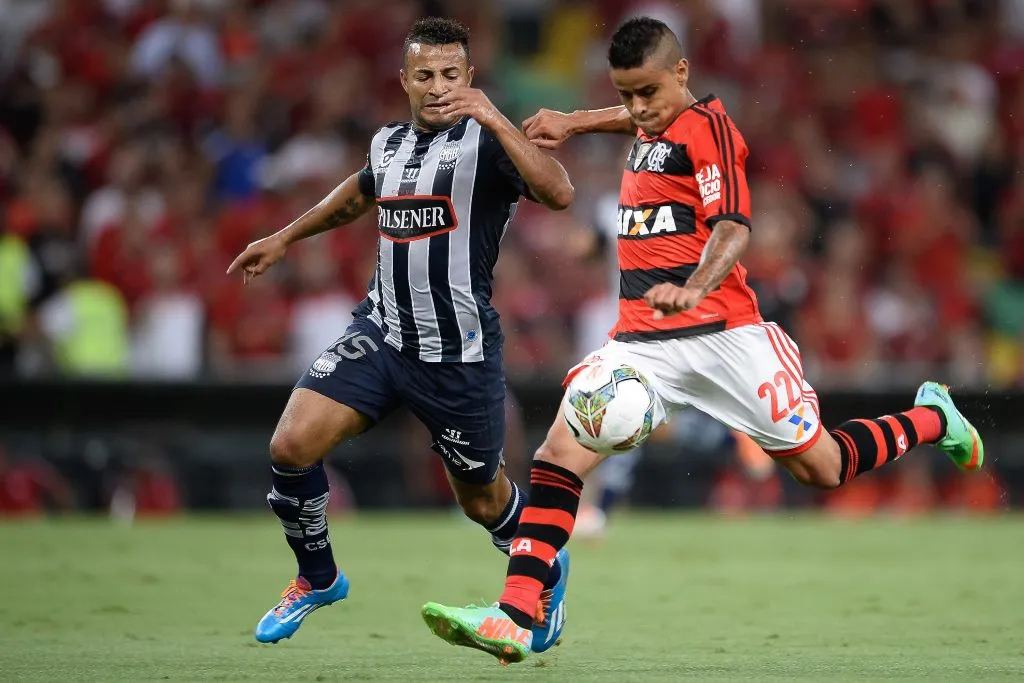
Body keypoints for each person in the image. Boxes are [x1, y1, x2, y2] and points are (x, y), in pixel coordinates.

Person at [420, 17, 983, 664]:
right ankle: (519, 613)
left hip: (724, 335)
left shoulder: (713, 131)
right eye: (625, 94)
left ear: (682, 73)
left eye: (646, 93)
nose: (636, 109)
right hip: (641, 338)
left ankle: (932, 416)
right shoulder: (650, 117)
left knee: (822, 466)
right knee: (559, 450)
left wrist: (693, 284)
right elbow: (643, 120)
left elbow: (735, 227)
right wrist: (577, 121)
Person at [227, 17, 575, 648]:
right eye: (424, 75)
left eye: (450, 74)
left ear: (469, 77)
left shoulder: (488, 145)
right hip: (382, 335)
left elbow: (560, 192)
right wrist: (284, 236)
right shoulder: (388, 142)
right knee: (290, 446)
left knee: (484, 504)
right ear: (404, 80)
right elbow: (363, 192)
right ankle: (317, 577)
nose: (438, 87)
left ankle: (543, 564)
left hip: (458, 355)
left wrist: (496, 117)